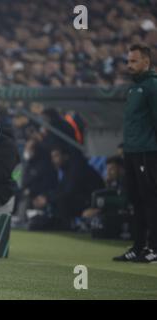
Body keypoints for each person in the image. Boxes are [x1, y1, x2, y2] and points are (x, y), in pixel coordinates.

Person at [113, 44, 157, 263]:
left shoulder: (152, 86)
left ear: (146, 62)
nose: (129, 65)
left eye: (134, 61)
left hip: (147, 152)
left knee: (150, 200)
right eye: (128, 61)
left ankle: (154, 247)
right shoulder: (133, 89)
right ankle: (139, 246)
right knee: (136, 200)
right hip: (132, 151)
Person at [32, 145, 104, 230]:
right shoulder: (67, 170)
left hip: (94, 203)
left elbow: (69, 192)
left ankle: (65, 227)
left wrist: (47, 199)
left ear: (65, 156)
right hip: (82, 200)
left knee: (62, 201)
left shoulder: (77, 168)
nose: (53, 160)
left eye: (56, 156)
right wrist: (45, 196)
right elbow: (61, 189)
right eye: (52, 157)